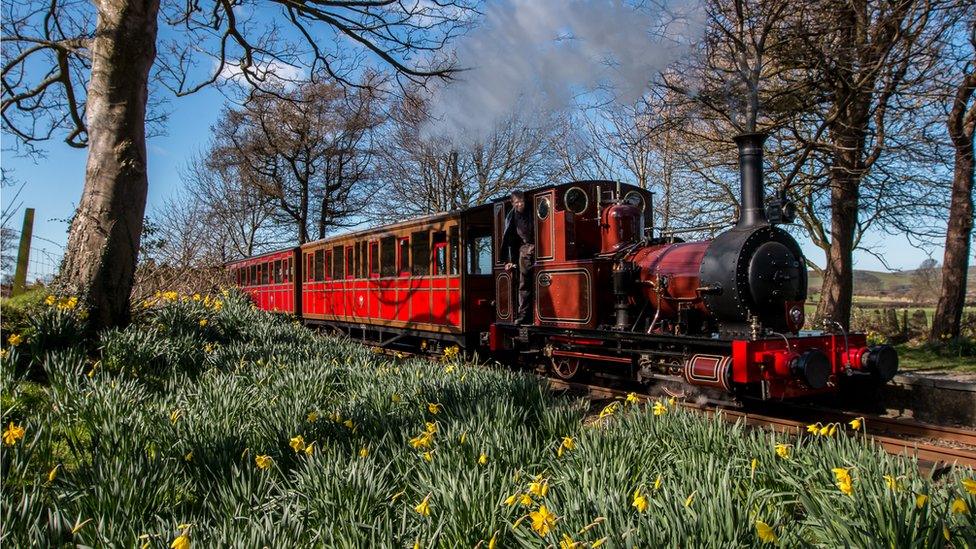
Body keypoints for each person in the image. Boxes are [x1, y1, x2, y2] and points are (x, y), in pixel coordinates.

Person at [501, 190, 534, 325]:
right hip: (524, 249)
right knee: (523, 283)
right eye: (517, 202)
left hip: (537, 245)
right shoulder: (511, 217)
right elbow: (509, 239)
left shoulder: (532, 211)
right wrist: (509, 260)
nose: (520, 204)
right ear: (512, 203)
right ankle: (524, 314)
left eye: (522, 201)